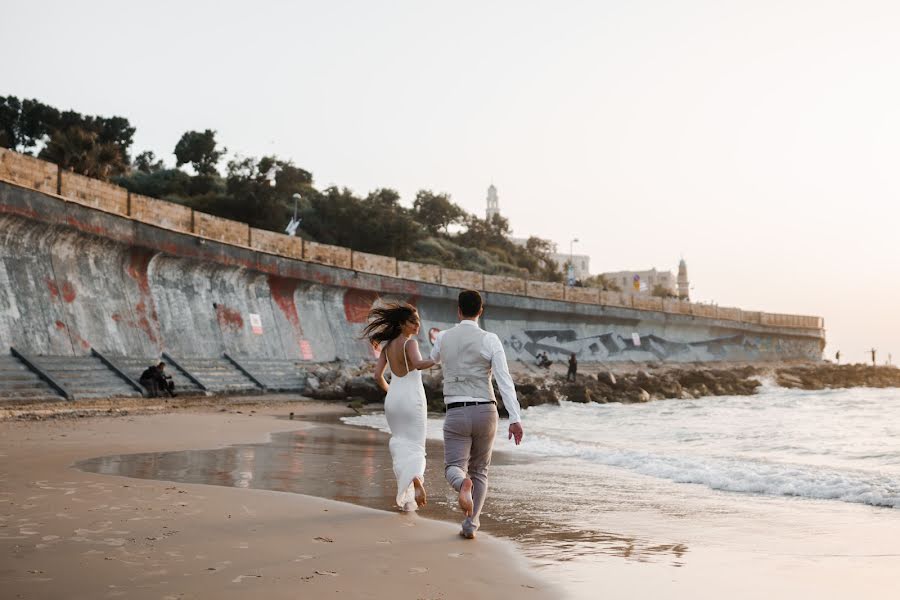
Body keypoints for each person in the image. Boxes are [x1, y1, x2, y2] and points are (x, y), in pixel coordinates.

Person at [430, 290, 524, 539]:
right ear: (481, 311)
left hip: (456, 412)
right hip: (486, 410)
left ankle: (462, 485)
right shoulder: (490, 339)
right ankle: (471, 525)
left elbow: (432, 358)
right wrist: (515, 418)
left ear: (458, 310)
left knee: (454, 467)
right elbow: (504, 380)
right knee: (480, 470)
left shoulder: (443, 337)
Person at [365, 303, 435, 512]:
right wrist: (438, 359)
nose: (417, 325)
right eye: (413, 322)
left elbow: (377, 376)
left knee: (399, 443)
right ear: (402, 323)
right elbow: (419, 364)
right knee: (416, 447)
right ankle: (415, 477)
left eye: (418, 321)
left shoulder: (387, 348)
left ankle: (407, 501)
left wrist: (391, 392)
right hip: (412, 399)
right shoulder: (410, 344)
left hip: (394, 399)